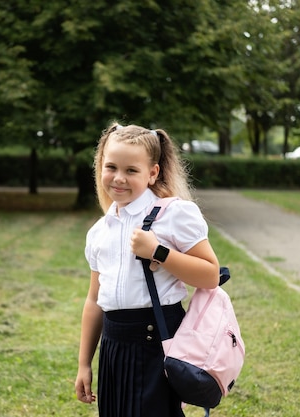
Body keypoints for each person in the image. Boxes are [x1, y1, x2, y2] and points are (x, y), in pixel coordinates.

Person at [74, 122, 220, 417]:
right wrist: (84, 363)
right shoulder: (99, 231)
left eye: (131, 171)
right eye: (111, 167)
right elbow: (94, 300)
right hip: (114, 346)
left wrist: (158, 252)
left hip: (157, 342)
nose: (119, 178)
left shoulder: (173, 214)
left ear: (152, 173)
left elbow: (210, 275)